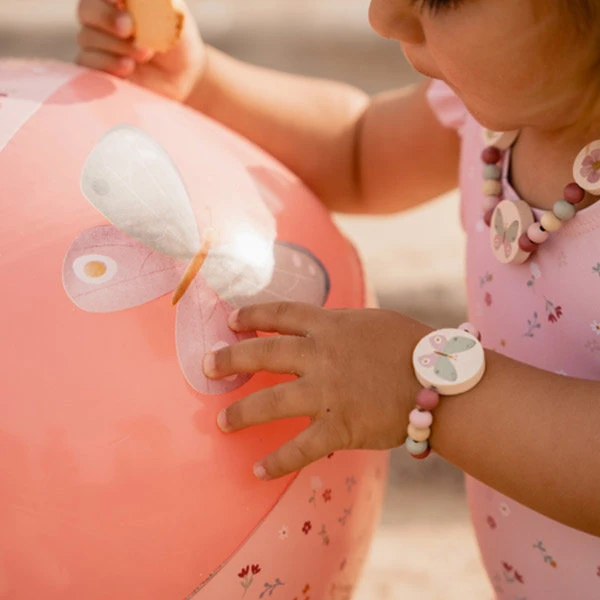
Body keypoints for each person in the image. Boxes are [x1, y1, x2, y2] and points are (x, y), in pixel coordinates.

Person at [76, 1, 600, 597]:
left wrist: (425, 386)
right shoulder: (493, 112)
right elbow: (356, 149)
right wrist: (201, 81)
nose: (384, 16)